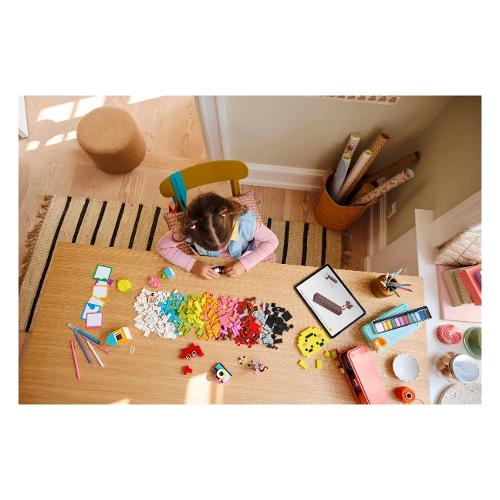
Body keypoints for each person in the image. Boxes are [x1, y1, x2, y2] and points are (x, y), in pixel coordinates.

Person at [156, 192, 279, 279]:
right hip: (206, 263)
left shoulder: (245, 223)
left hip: (243, 256)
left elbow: (272, 241)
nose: (220, 250)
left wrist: (244, 264)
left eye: (225, 242)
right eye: (209, 246)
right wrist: (193, 265)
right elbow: (162, 247)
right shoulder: (187, 228)